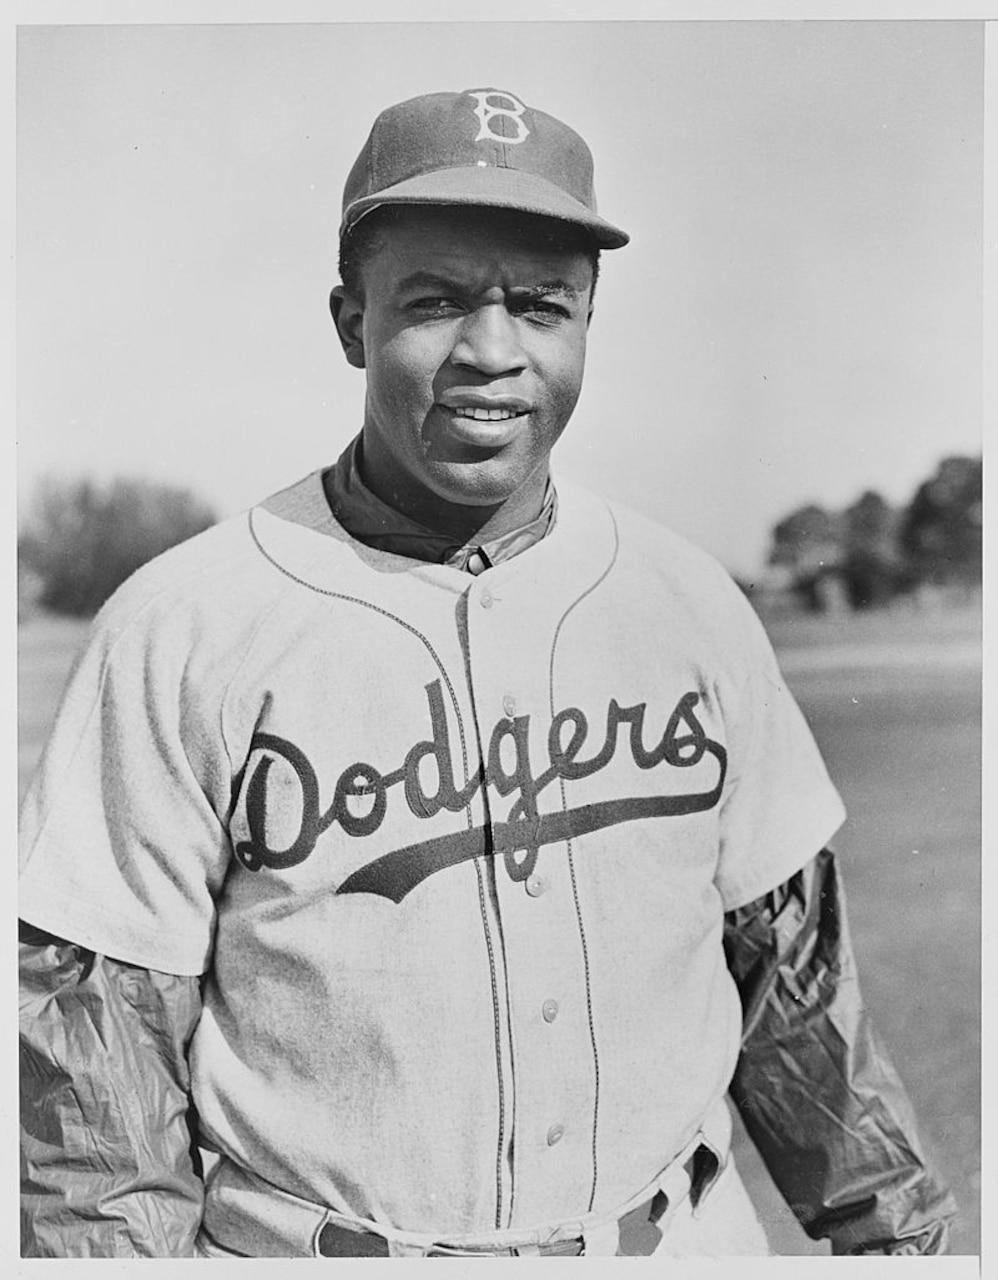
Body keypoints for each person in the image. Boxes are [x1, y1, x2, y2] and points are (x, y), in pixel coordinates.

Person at [19, 86, 956, 1259]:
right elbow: (96, 1088)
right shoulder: (183, 625)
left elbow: (798, 1001)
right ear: (349, 320)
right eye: (437, 300)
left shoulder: (684, 603)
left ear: (585, 324)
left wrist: (907, 1248)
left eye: (540, 305)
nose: (492, 352)